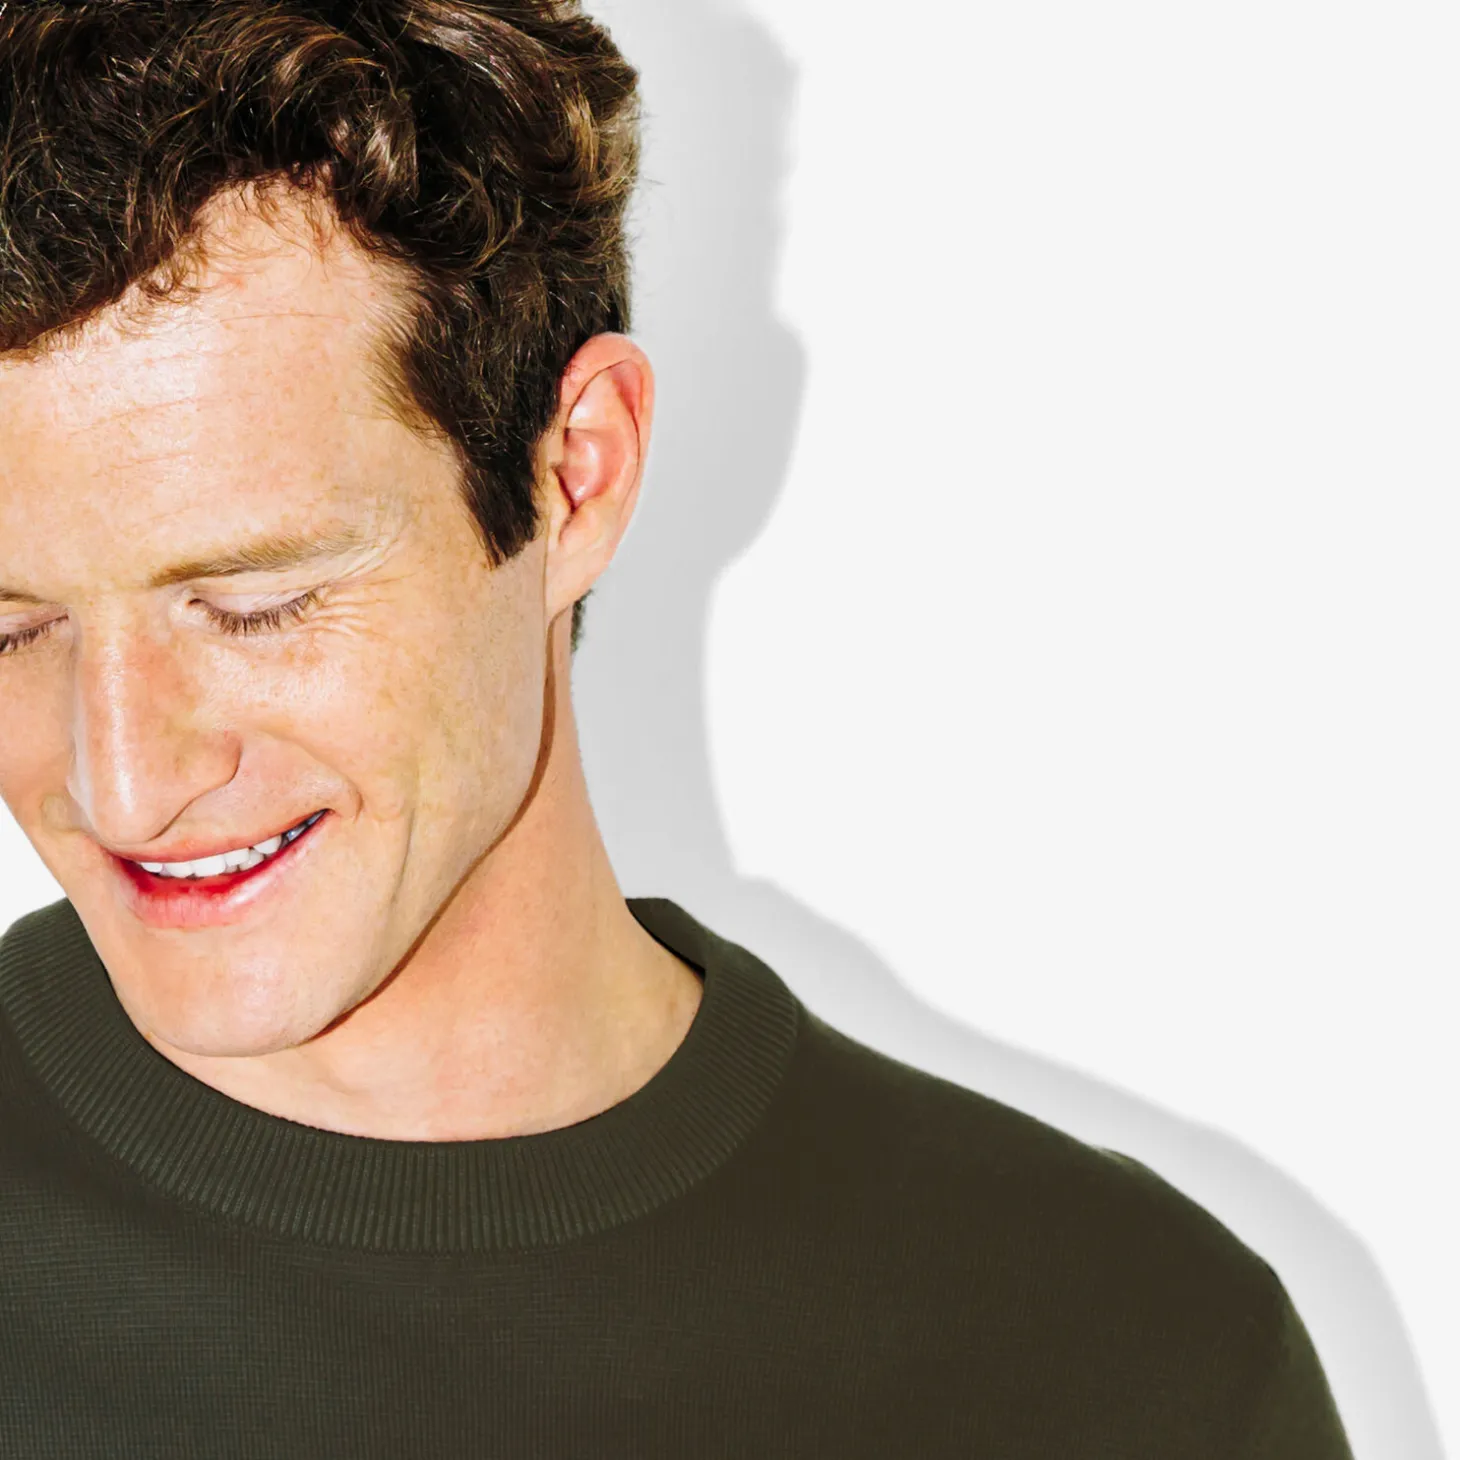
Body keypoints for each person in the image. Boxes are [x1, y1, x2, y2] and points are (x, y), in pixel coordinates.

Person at [0, 2, 1355, 1454]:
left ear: (576, 477)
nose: (119, 781)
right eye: (11, 628)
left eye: (255, 605)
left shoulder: (1131, 1360)